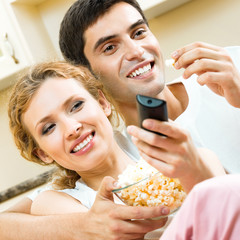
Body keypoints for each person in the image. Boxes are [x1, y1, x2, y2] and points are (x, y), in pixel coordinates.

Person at [1, 0, 240, 238]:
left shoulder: (226, 71)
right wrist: (84, 226)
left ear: (101, 102)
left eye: (138, 32)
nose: (72, 128)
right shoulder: (60, 200)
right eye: (109, 47)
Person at [7, 61, 171, 239]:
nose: (72, 128)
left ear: (102, 103)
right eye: (49, 128)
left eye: (76, 106)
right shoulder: (56, 203)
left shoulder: (155, 143)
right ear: (43, 154)